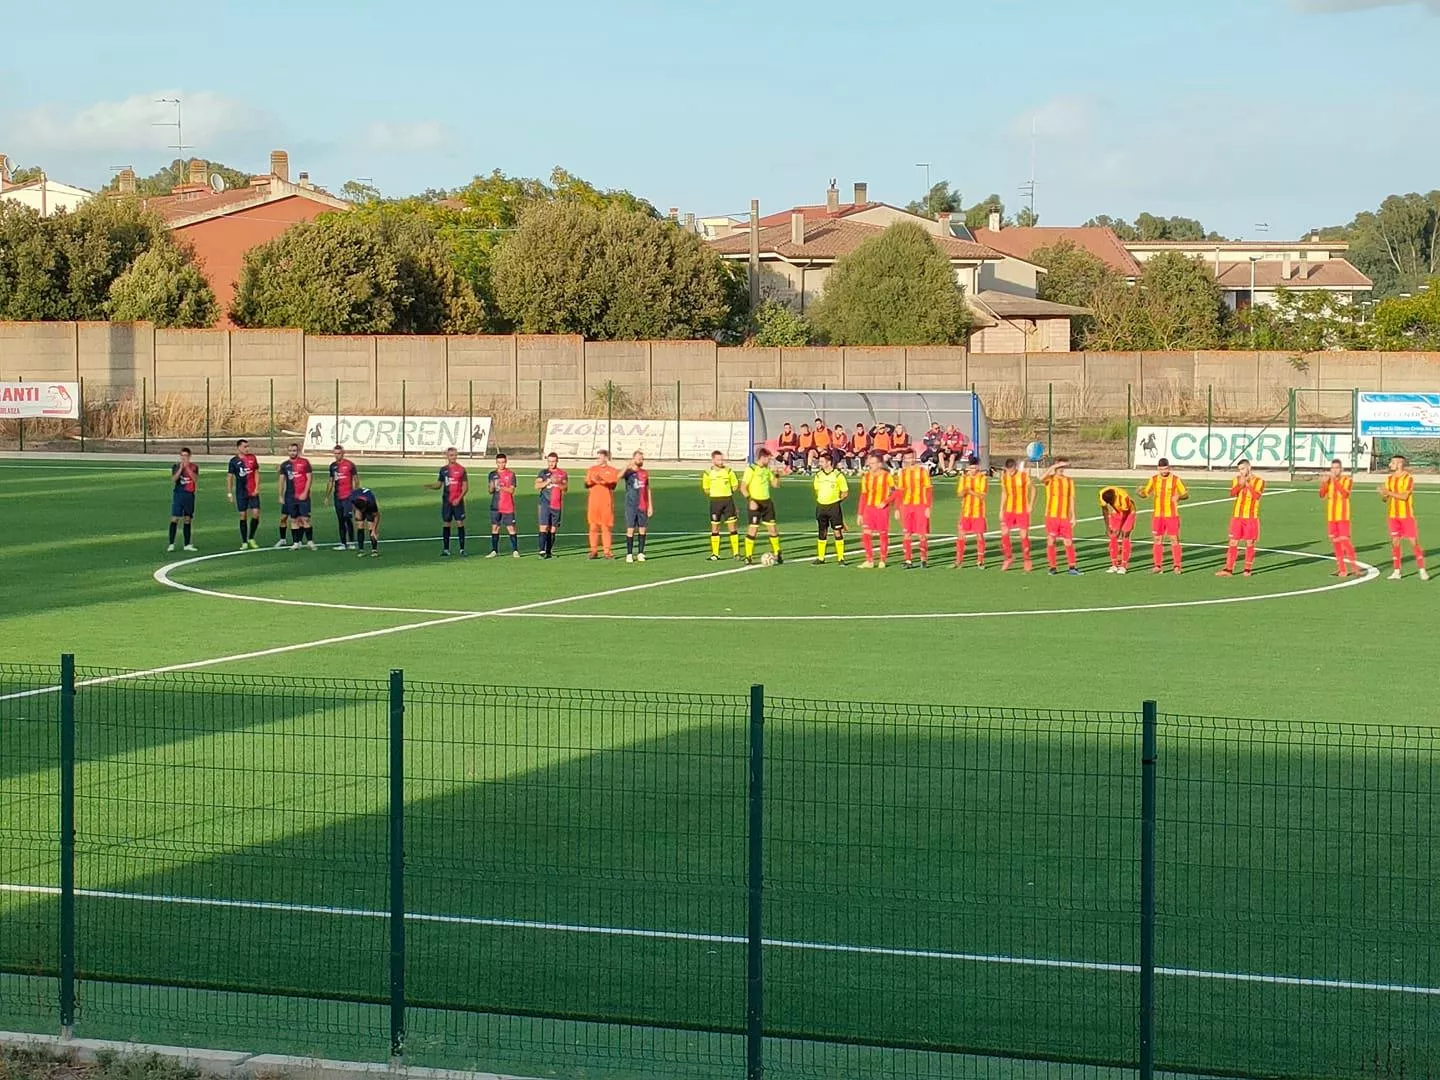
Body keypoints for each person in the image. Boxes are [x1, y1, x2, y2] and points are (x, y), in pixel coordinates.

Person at [1380, 454, 1428, 581]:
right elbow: (1385, 499)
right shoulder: (1389, 478)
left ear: (1399, 464)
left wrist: (1388, 492)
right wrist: (1383, 495)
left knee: (1413, 542)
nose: (1390, 465)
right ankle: (1397, 571)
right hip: (1393, 516)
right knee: (1395, 542)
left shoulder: (1408, 478)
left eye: (1392, 463)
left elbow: (1404, 497)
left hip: (1406, 516)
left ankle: (1422, 569)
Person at [1138, 457, 1189, 574]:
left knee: (1174, 539)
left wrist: (1179, 497)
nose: (1164, 471)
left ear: (1169, 468)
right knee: (1157, 539)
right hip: (1157, 515)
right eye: (1161, 469)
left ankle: (1177, 566)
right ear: (1158, 469)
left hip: (1172, 515)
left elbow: (1185, 494)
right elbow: (1146, 493)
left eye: (1165, 469)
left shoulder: (1176, 480)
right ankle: (1157, 565)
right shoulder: (1154, 479)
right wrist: (1141, 493)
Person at [1217, 458, 1265, 578]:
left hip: (1251, 517)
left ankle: (1247, 569)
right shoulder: (1237, 479)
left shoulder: (1259, 481)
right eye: (1239, 470)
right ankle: (1228, 569)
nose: (1241, 472)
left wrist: (1248, 485)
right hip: (1237, 516)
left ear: (1249, 467)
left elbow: (1257, 496)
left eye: (1243, 469)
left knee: (1250, 542)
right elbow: (1232, 493)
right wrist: (1240, 485)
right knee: (1233, 542)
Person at [423, 447, 470, 557]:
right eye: (451, 455)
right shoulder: (443, 470)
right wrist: (429, 486)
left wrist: (459, 498)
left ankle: (462, 549)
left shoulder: (461, 469)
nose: (453, 457)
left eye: (454, 455)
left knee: (460, 523)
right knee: (446, 523)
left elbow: (466, 487)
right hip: (447, 502)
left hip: (458, 502)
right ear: (447, 456)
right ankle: (446, 549)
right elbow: (439, 485)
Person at [741, 448, 783, 565]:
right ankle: (748, 556)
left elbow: (775, 485)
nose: (769, 460)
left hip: (767, 503)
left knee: (773, 529)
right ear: (762, 457)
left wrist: (777, 475)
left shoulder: (767, 470)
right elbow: (743, 487)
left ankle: (778, 552)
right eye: (768, 458)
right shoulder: (751, 469)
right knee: (753, 529)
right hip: (755, 502)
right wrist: (750, 500)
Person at [1319, 459, 1358, 578]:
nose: (1334, 470)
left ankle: (1355, 568)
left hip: (1342, 516)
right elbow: (1321, 495)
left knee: (1345, 542)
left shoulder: (1347, 480)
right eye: (1332, 468)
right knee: (1335, 543)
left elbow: (1345, 494)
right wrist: (1324, 483)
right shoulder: (1329, 481)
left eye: (1337, 468)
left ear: (1341, 469)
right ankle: (1341, 568)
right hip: (1332, 517)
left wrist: (1335, 480)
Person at [1041, 458, 1080, 576]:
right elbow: (1041, 478)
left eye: (1063, 467)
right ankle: (1052, 567)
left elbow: (1071, 498)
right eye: (1060, 467)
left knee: (1068, 542)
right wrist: (1052, 467)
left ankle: (1072, 567)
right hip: (1052, 516)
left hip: (1064, 517)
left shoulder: (1069, 481)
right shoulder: (1050, 479)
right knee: (1051, 541)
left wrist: (1073, 516)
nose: (1062, 469)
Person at [895, 449, 933, 569]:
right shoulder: (902, 473)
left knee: (922, 535)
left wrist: (928, 507)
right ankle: (908, 560)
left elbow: (928, 489)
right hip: (906, 506)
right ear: (904, 459)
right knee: (907, 534)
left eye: (911, 457)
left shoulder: (922, 472)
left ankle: (923, 559)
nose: (909, 460)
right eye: (907, 458)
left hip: (920, 506)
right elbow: (899, 491)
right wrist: (897, 508)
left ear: (915, 458)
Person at [701, 450, 741, 561]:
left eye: (722, 459)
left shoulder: (728, 471)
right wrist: (716, 493)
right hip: (715, 502)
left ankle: (736, 553)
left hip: (728, 501)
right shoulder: (707, 473)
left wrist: (726, 493)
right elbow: (706, 489)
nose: (721, 461)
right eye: (719, 459)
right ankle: (715, 554)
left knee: (732, 527)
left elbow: (735, 485)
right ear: (713, 460)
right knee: (715, 528)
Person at [857, 452, 895, 569]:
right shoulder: (866, 477)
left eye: (873, 463)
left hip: (882, 510)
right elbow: (863, 495)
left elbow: (895, 492)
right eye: (870, 463)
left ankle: (882, 559)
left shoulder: (887, 476)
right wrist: (860, 513)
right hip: (869, 509)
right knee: (866, 534)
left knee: (882, 534)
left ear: (879, 464)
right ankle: (869, 560)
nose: (870, 465)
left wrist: (885, 502)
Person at [276, 443, 316, 551]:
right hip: (290, 496)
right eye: (290, 450)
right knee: (293, 520)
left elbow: (309, 478)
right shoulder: (285, 465)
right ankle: (296, 543)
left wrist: (305, 492)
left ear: (297, 451)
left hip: (303, 496)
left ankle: (310, 541)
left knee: (305, 519)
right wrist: (280, 495)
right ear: (288, 451)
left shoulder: (304, 462)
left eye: (294, 450)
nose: (292, 452)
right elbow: (281, 481)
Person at [998, 458, 1034, 572]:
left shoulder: (1023, 476)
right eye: (1008, 471)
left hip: (1022, 510)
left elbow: (1033, 489)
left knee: (1023, 536)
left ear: (1015, 467)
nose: (1010, 473)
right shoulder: (1004, 477)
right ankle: (1008, 557)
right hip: (1009, 510)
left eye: (1012, 471)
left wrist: (1031, 505)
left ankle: (1027, 559)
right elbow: (1004, 493)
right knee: (1004, 533)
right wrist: (1001, 509)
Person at [813, 454, 850, 565]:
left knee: (837, 532)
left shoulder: (838, 475)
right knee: (822, 532)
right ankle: (821, 558)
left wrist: (836, 501)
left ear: (829, 462)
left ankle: (841, 558)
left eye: (822, 461)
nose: (820, 464)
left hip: (834, 507)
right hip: (821, 507)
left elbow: (845, 492)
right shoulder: (818, 475)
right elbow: (816, 490)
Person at [225, 438, 262, 550]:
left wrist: (257, 487)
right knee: (243, 515)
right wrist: (229, 493)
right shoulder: (234, 461)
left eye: (248, 446)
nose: (247, 449)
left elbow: (256, 472)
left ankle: (251, 537)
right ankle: (244, 541)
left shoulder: (252, 458)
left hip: (252, 491)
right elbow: (230, 478)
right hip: (241, 492)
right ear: (239, 448)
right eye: (245, 447)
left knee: (256, 513)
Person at [583, 450, 620, 559]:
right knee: (593, 526)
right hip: (593, 502)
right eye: (598, 457)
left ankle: (607, 551)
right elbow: (586, 484)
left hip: (606, 502)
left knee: (606, 526)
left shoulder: (612, 470)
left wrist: (601, 481)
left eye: (600, 457)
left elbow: (613, 485)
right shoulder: (592, 469)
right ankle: (593, 550)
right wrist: (594, 481)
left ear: (606, 458)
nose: (598, 459)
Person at [955, 456, 989, 570]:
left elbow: (982, 496)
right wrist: (965, 490)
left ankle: (980, 561)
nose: (972, 470)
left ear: (978, 468)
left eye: (974, 468)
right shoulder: (963, 478)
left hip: (978, 512)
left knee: (979, 536)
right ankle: (958, 561)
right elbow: (959, 494)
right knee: (961, 535)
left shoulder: (983, 478)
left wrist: (971, 491)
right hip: (965, 512)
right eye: (970, 468)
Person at [622, 450, 654, 563]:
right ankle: (629, 554)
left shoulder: (645, 473)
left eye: (642, 458)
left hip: (643, 505)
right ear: (633, 459)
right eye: (639, 458)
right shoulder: (629, 472)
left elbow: (648, 489)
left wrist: (650, 505)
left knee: (642, 529)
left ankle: (640, 552)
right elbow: (618, 476)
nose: (641, 460)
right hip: (631, 505)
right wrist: (626, 466)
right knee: (630, 529)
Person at [534, 452, 568, 559]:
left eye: (553, 461)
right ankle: (541, 551)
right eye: (549, 461)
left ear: (557, 461)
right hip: (544, 502)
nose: (551, 464)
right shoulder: (543, 473)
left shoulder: (562, 473)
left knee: (553, 529)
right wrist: (548, 481)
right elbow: (537, 486)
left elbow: (565, 488)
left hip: (556, 504)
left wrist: (558, 482)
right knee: (544, 527)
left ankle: (549, 552)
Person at [486, 452, 520, 558]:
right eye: (499, 462)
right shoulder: (492, 474)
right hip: (495, 505)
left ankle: (515, 550)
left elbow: (511, 490)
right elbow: (490, 491)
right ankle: (494, 550)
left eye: (503, 462)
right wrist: (492, 486)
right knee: (495, 527)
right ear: (496, 463)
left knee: (511, 527)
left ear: (506, 462)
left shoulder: (511, 474)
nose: (501, 464)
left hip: (507, 505)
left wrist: (501, 486)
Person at [326, 445, 359, 551]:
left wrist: (355, 494)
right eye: (335, 453)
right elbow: (331, 481)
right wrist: (327, 496)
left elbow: (356, 480)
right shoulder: (332, 466)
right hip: (337, 497)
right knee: (340, 520)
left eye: (338, 453)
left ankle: (351, 542)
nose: (337, 455)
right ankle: (343, 543)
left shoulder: (349, 465)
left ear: (343, 453)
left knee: (347, 518)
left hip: (348, 496)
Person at [1098, 484, 1137, 574]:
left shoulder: (1123, 497)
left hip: (1128, 513)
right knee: (1113, 535)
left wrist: (1119, 528)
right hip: (1116, 512)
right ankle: (1114, 564)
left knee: (1125, 535)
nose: (1110, 504)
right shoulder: (1102, 494)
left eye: (1111, 502)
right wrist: (1107, 527)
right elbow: (1105, 510)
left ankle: (1124, 565)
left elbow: (1124, 514)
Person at [167, 447, 199, 552]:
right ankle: (171, 543)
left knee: (187, 518)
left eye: (186, 456)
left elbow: (195, 479)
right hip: (179, 495)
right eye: (182, 456)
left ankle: (187, 544)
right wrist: (181, 469)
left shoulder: (194, 467)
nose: (184, 458)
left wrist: (187, 469)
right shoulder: (176, 466)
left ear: (189, 456)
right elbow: (173, 479)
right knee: (175, 518)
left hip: (189, 495)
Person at [350, 486, 381, 557]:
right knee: (360, 526)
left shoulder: (371, 503)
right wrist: (357, 511)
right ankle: (361, 550)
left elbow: (377, 516)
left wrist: (374, 530)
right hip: (358, 505)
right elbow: (353, 506)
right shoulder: (352, 497)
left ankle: (374, 550)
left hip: (369, 507)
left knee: (371, 526)